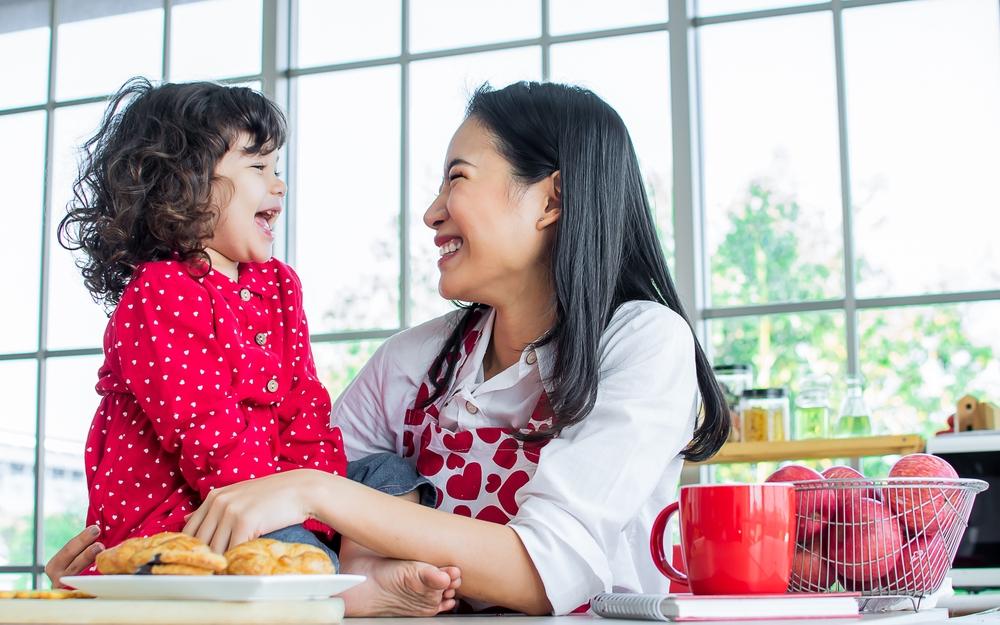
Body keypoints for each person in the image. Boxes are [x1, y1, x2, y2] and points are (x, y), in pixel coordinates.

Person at [49, 81, 728, 615]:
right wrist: (132, 568)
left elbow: (546, 568)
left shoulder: (644, 341)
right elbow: (283, 509)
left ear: (549, 199)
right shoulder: (413, 362)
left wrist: (311, 489)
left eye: (456, 178)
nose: (432, 211)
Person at [56, 77, 347, 564]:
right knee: (294, 554)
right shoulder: (160, 290)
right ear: (184, 183)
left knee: (387, 477)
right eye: (258, 166)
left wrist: (323, 507)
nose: (279, 183)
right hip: (185, 523)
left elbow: (305, 408)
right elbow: (205, 430)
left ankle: (341, 566)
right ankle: (349, 583)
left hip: (269, 502)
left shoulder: (280, 286)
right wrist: (290, 516)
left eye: (276, 166)